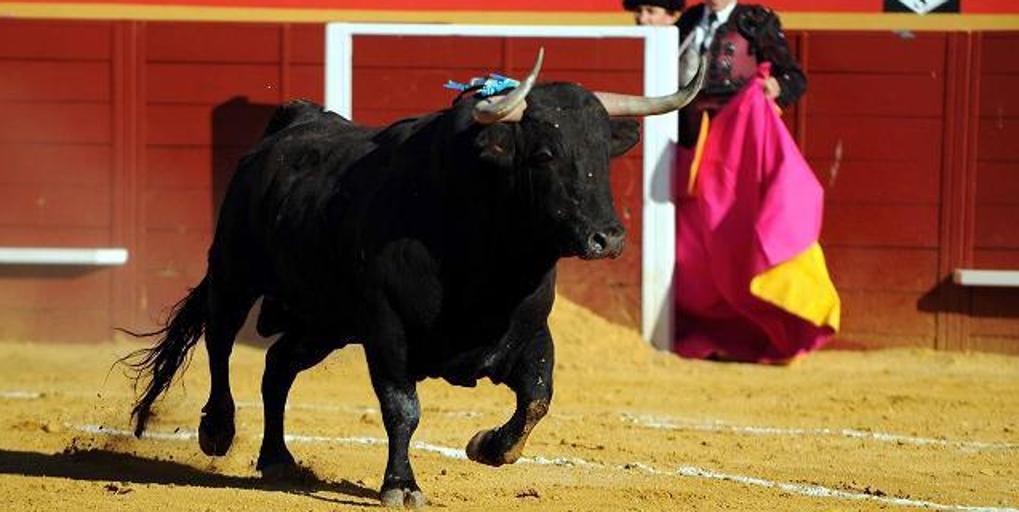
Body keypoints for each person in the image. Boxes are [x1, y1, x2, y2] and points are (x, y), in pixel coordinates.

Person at [670, 0, 841, 364]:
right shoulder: (689, 20)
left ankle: (767, 331)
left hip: (737, 152)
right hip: (690, 144)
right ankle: (710, 333)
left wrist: (774, 87)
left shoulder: (754, 20)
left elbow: (794, 78)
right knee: (695, 247)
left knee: (736, 236)